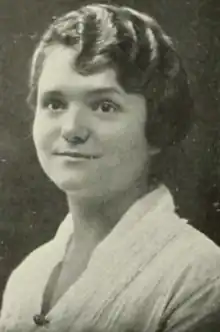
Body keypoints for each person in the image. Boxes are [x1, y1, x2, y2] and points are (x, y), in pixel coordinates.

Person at [0, 3, 220, 332]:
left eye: (105, 105)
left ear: (156, 127)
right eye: (55, 104)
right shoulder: (26, 279)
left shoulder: (199, 278)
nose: (72, 128)